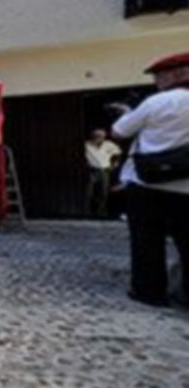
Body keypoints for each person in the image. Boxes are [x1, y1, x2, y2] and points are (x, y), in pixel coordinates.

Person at [111, 52, 189, 308]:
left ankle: (149, 291)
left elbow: (120, 130)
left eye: (160, 76)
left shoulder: (159, 101)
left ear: (179, 74)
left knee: (147, 240)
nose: (157, 82)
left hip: (149, 183)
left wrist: (127, 113)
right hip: (185, 186)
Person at [85, 129, 122, 218]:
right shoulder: (86, 145)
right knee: (89, 193)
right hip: (91, 170)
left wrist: (115, 164)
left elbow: (118, 153)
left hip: (104, 171)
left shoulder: (109, 144)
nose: (99, 137)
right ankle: (87, 213)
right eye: (97, 135)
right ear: (92, 135)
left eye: (101, 136)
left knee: (103, 193)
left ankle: (100, 214)